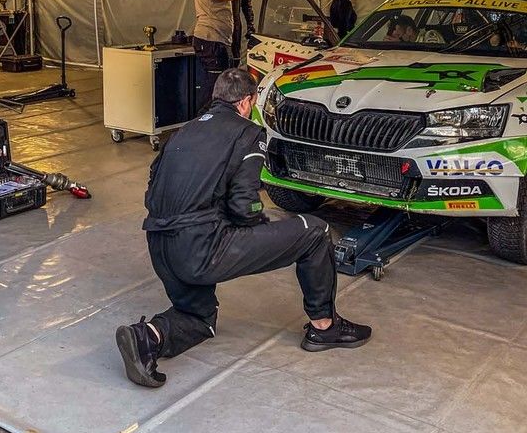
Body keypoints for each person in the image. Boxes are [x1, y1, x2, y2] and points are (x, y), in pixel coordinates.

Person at [115, 69, 371, 388]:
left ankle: (146, 336)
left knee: (199, 318)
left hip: (160, 246)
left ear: (216, 98)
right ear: (247, 102)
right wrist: (260, 226)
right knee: (314, 231)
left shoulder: (182, 132)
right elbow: (243, 205)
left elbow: (153, 189)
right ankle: (324, 326)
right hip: (202, 249)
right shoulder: (247, 133)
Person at [192, 0, 268, 109]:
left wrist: (250, 25)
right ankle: (206, 117)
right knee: (213, 87)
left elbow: (245, 6)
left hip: (220, 41)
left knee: (222, 85)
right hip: (210, 41)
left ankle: (217, 116)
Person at [221, 0, 256, 69]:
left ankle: (234, 70)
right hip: (219, 25)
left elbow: (247, 5)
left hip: (235, 25)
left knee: (235, 54)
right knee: (222, 54)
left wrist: (250, 25)